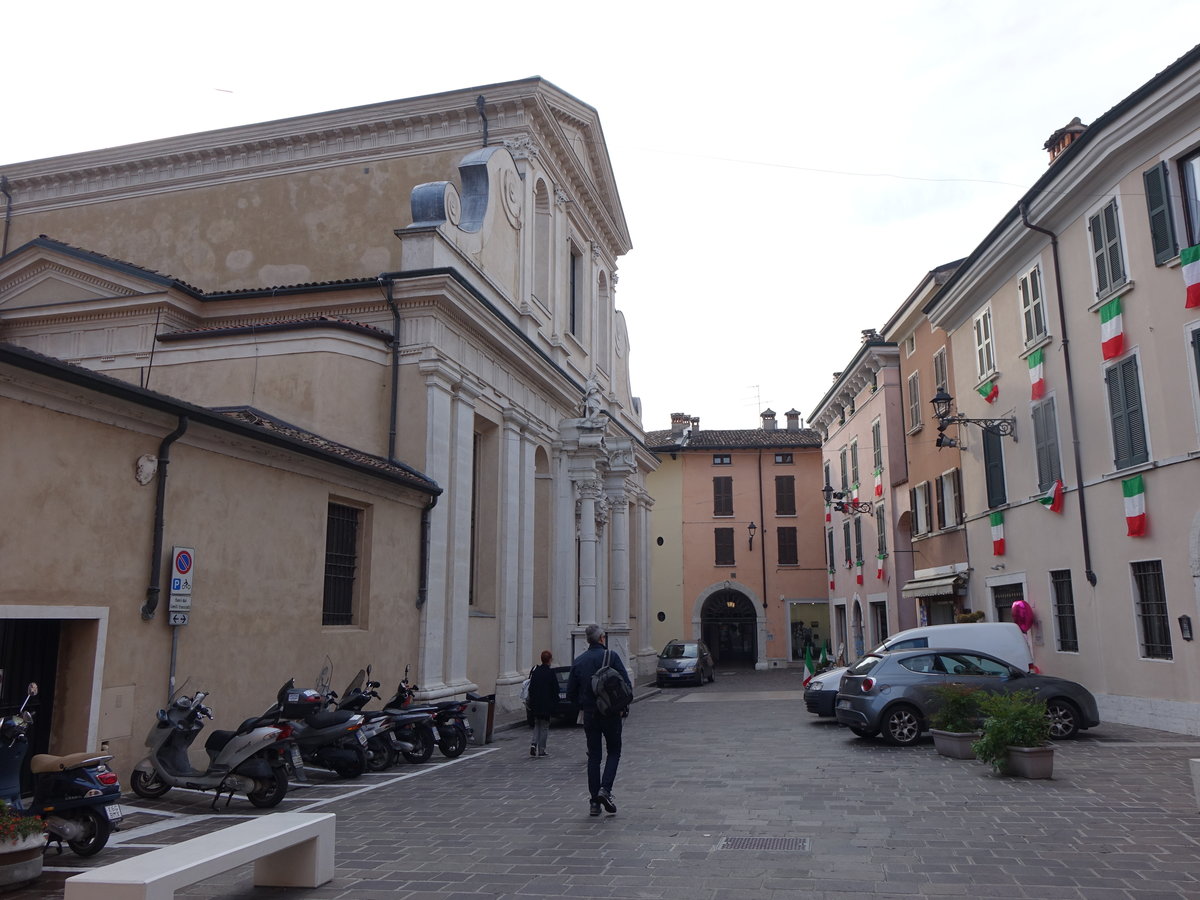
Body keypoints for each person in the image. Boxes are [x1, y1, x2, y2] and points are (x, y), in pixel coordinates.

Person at [565, 624, 631, 817]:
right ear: (602, 638)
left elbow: (570, 693)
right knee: (614, 751)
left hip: (590, 715)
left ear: (588, 640)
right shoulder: (612, 657)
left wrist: (585, 705)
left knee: (594, 757)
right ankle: (605, 790)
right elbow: (626, 685)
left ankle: (594, 802)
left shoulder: (579, 661)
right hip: (611, 714)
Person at [526, 650, 559, 758]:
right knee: (544, 726)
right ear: (549, 660)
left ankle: (533, 743)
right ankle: (541, 750)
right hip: (546, 705)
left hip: (536, 704)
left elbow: (530, 688)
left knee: (537, 724)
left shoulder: (536, 672)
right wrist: (555, 703)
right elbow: (555, 689)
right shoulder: (550, 673)